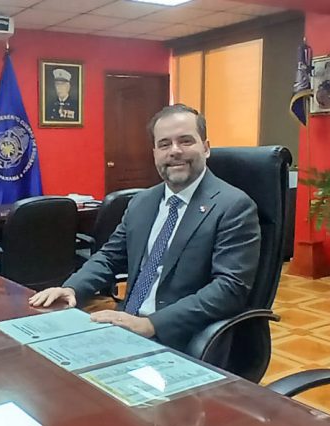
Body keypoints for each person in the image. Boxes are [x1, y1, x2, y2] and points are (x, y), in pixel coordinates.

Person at [29, 104, 261, 352]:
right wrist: (72, 288)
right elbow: (110, 257)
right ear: (154, 153)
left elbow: (229, 288)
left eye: (185, 141)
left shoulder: (233, 206)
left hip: (180, 338)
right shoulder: (142, 201)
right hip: (125, 326)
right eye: (164, 144)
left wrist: (152, 324)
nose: (175, 151)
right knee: (40, 352)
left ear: (206, 148)